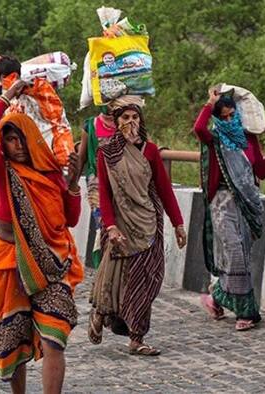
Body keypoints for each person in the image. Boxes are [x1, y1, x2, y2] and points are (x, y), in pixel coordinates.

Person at [0, 80, 83, 393]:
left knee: (55, 338)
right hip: (9, 263)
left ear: (34, 140)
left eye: (22, 138)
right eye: (9, 140)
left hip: (52, 265)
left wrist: (73, 184)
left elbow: (70, 219)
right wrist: (6, 97)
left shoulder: (49, 175)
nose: (17, 145)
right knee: (15, 342)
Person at [89, 96, 187, 356]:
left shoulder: (151, 151)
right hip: (121, 224)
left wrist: (178, 223)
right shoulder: (107, 152)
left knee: (150, 278)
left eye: (135, 117)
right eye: (125, 118)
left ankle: (133, 332)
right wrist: (110, 226)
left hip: (148, 223)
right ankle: (123, 328)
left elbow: (164, 190)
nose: (131, 122)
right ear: (117, 122)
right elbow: (105, 194)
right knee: (120, 279)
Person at [195, 90, 265, 331]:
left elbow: (260, 171)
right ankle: (247, 312)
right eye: (224, 117)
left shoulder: (248, 140)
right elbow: (199, 129)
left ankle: (216, 297)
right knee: (235, 254)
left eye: (233, 115)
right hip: (222, 202)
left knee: (240, 255)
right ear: (217, 118)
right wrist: (208, 104)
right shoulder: (215, 139)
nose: (230, 121)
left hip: (247, 203)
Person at [75, 103, 121, 269]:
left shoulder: (126, 123)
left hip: (121, 181)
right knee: (104, 224)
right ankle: (103, 264)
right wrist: (72, 185)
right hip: (97, 183)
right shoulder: (91, 125)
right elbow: (81, 157)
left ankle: (115, 266)